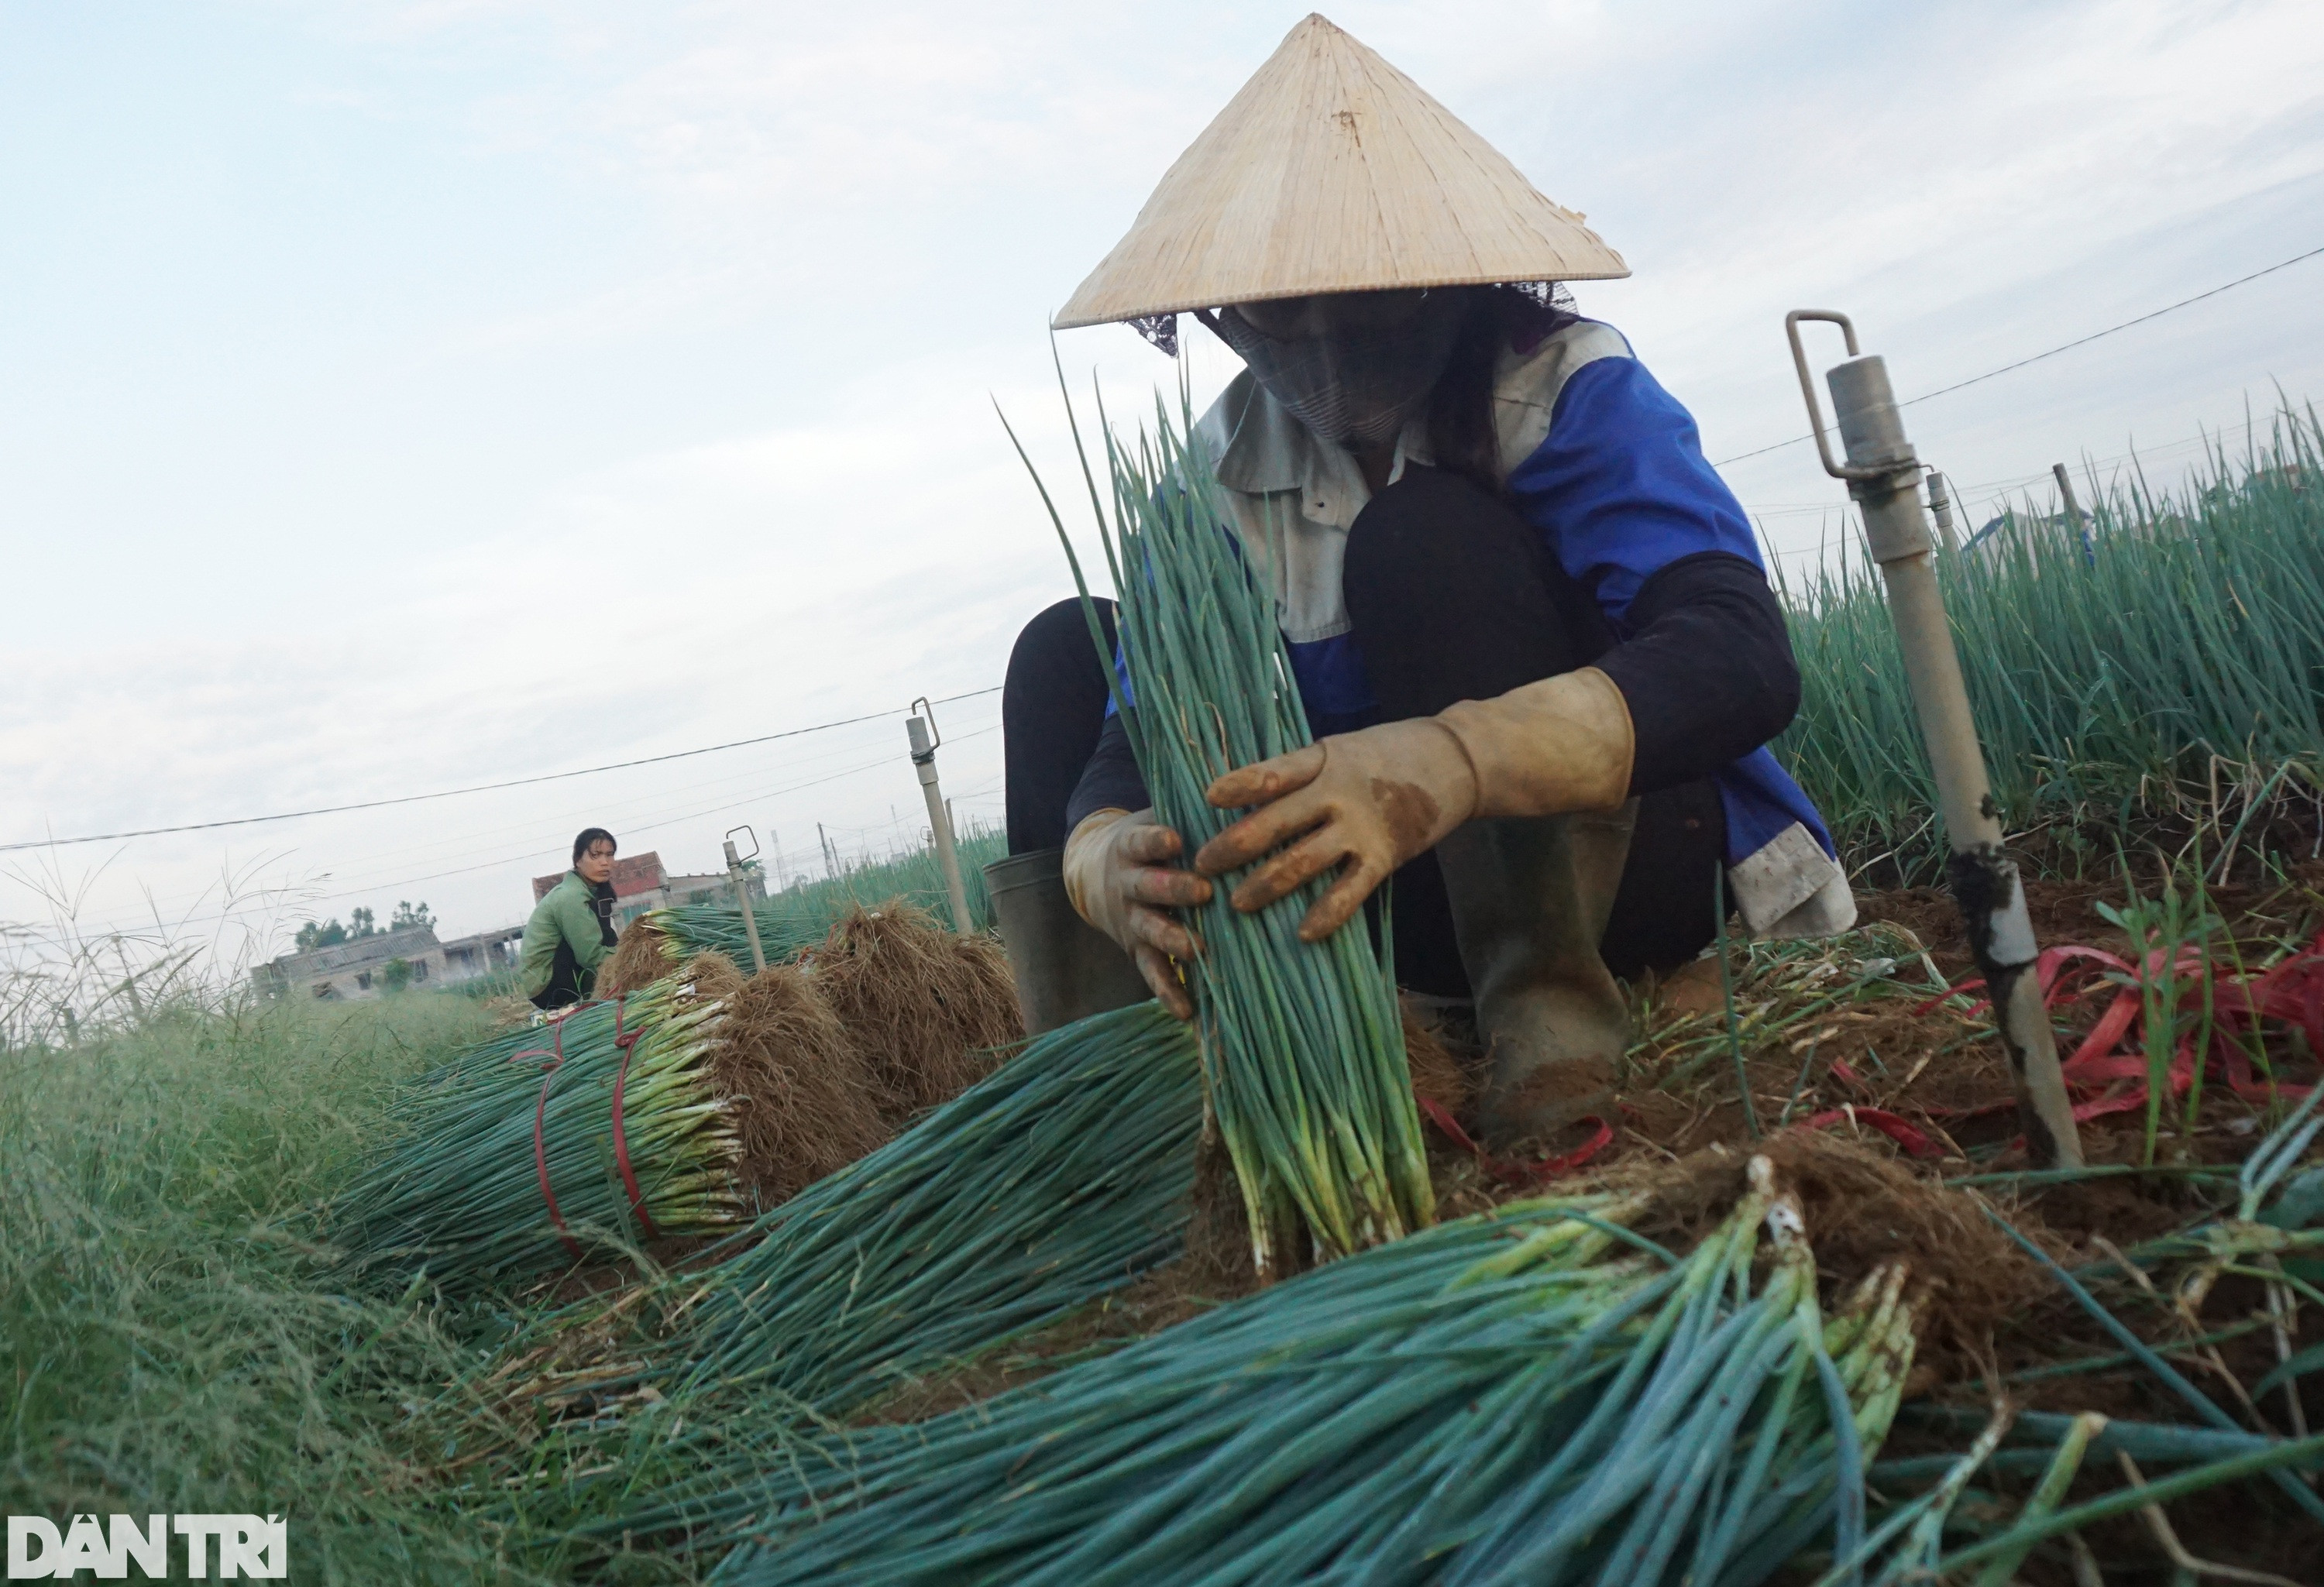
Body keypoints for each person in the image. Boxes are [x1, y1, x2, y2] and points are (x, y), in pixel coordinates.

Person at [997, 16, 1854, 1151]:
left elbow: (1735, 656)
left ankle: (1552, 1031)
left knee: (1421, 540)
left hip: (1630, 871)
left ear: (1443, 280)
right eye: (1277, 311)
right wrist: (1100, 849)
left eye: (1359, 300)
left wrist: (1446, 762)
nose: (1322, 342)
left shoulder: (1561, 389)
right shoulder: (1212, 481)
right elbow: (1133, 731)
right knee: (1068, 644)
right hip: (1384, 901)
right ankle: (1117, 1100)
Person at [522, 828, 621, 1010]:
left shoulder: (593, 892)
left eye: (610, 855)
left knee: (609, 939)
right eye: (595, 855)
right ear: (577, 860)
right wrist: (629, 956)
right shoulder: (571, 897)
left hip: (562, 975)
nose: (605, 862)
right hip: (548, 987)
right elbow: (590, 956)